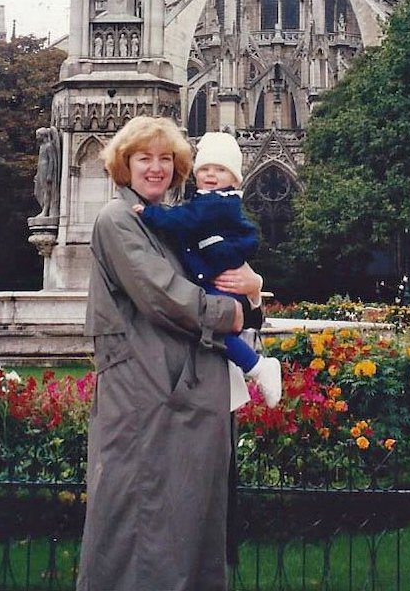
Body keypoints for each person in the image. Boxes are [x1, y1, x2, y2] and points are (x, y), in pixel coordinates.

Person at [77, 116, 263, 591]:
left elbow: (212, 281)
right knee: (143, 533)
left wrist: (254, 291)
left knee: (182, 531)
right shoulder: (119, 219)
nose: (156, 168)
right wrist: (239, 314)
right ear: (124, 165)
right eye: (145, 158)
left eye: (166, 159)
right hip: (148, 397)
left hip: (181, 398)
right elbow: (165, 297)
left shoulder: (168, 225)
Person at [133, 130, 282, 407]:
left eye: (220, 170)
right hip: (183, 375)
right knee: (223, 330)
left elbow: (185, 220)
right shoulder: (124, 220)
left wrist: (255, 287)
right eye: (205, 169)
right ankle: (255, 367)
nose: (211, 175)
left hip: (215, 286)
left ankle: (258, 367)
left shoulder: (211, 205)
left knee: (220, 327)